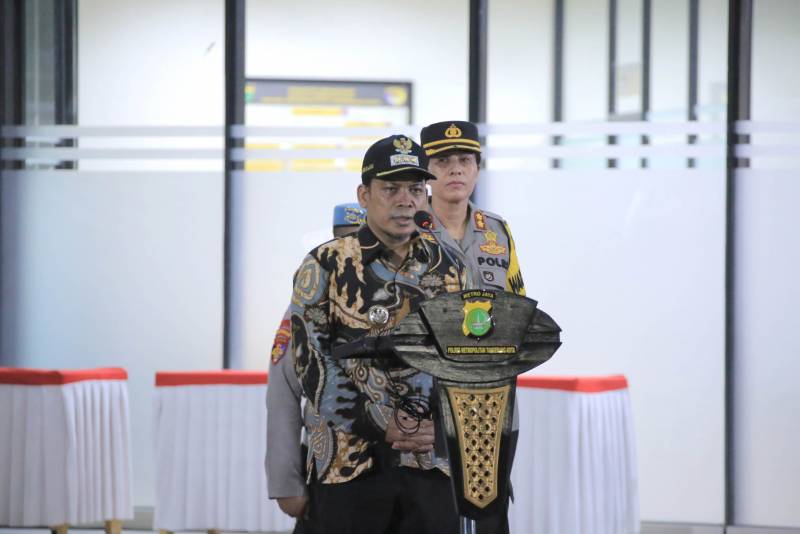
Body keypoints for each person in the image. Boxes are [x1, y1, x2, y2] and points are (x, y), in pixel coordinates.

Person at [290, 135, 464, 534]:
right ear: (364, 195)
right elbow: (311, 360)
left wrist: (439, 424)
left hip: (431, 461)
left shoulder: (450, 266)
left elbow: (465, 357)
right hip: (348, 464)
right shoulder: (325, 264)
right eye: (391, 189)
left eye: (415, 190)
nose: (405, 200)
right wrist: (381, 420)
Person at [420, 120, 527, 534]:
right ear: (427, 171)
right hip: (426, 395)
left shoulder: (496, 230)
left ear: (477, 169)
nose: (455, 169)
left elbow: (517, 308)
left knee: (488, 510)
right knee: (432, 508)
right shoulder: (410, 229)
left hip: (490, 397)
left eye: (465, 160)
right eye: (443, 161)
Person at [266, 203, 366, 533]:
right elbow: (282, 393)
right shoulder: (310, 297)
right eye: (342, 240)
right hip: (329, 466)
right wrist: (286, 483)